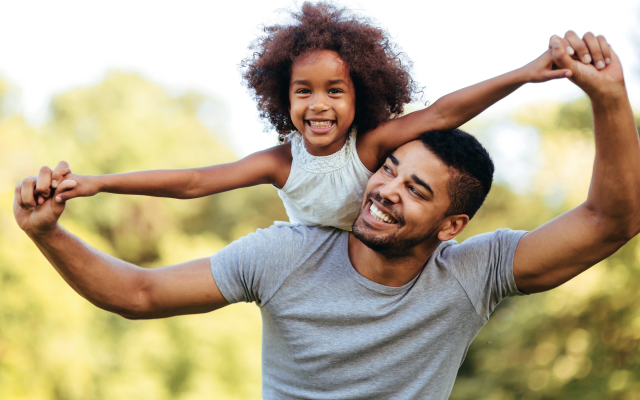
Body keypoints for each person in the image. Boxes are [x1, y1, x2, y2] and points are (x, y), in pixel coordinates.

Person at [14, 32, 638, 399]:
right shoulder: (286, 252)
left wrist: (608, 98)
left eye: (417, 189)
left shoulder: (474, 273)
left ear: (452, 226)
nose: (386, 187)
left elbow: (611, 219)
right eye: (389, 168)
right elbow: (140, 292)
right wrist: (50, 232)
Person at [35, 2, 572, 231]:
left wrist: (523, 74)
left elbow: (444, 111)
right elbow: (196, 181)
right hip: (312, 272)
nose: (318, 105)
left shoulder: (369, 148)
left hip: (380, 261)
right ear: (282, 98)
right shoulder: (279, 163)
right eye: (303, 91)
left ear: (359, 95)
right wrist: (99, 183)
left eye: (335, 91)